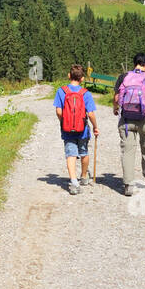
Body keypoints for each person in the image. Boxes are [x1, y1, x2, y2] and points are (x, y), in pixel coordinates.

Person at [113, 53, 145, 196]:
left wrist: (115, 109)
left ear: (134, 63)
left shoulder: (123, 77)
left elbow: (117, 98)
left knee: (128, 151)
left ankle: (128, 185)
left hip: (127, 120)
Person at [54, 64, 99, 195]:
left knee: (71, 154)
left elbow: (58, 111)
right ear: (82, 78)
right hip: (83, 129)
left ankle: (74, 183)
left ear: (69, 75)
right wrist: (95, 127)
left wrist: (64, 122)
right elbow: (90, 114)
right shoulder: (86, 93)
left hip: (67, 129)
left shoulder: (61, 91)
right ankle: (84, 176)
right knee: (84, 151)